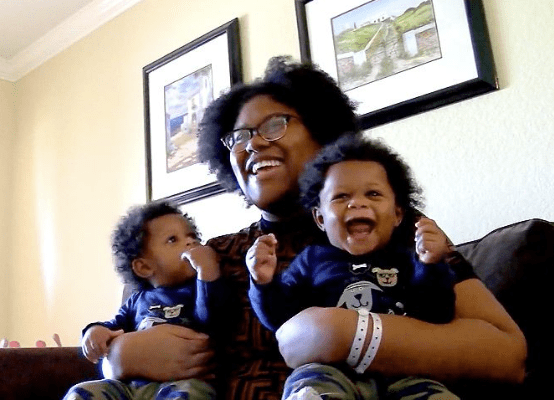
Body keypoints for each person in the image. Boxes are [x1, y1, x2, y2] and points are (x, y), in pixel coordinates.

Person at [101, 57, 526, 400]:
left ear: (324, 136)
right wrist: (118, 358)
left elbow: (507, 353)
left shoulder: (394, 229)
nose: (253, 144)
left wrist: (346, 334)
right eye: (239, 137)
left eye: (274, 124)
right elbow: (138, 319)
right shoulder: (212, 255)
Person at [247, 133, 461, 399]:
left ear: (397, 214)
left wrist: (432, 264)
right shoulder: (311, 260)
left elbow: (437, 314)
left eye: (373, 194)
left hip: (403, 369)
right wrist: (263, 282)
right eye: (340, 196)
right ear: (320, 218)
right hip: (330, 371)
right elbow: (282, 319)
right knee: (307, 384)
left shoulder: (408, 259)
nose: (357, 203)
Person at [64, 200, 223, 400]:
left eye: (193, 237)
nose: (190, 243)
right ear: (144, 267)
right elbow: (114, 328)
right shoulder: (137, 301)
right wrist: (94, 331)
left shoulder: (199, 288)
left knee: (193, 393)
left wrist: (207, 272)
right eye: (173, 239)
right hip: (130, 389)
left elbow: (212, 316)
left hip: (182, 385)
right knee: (82, 391)